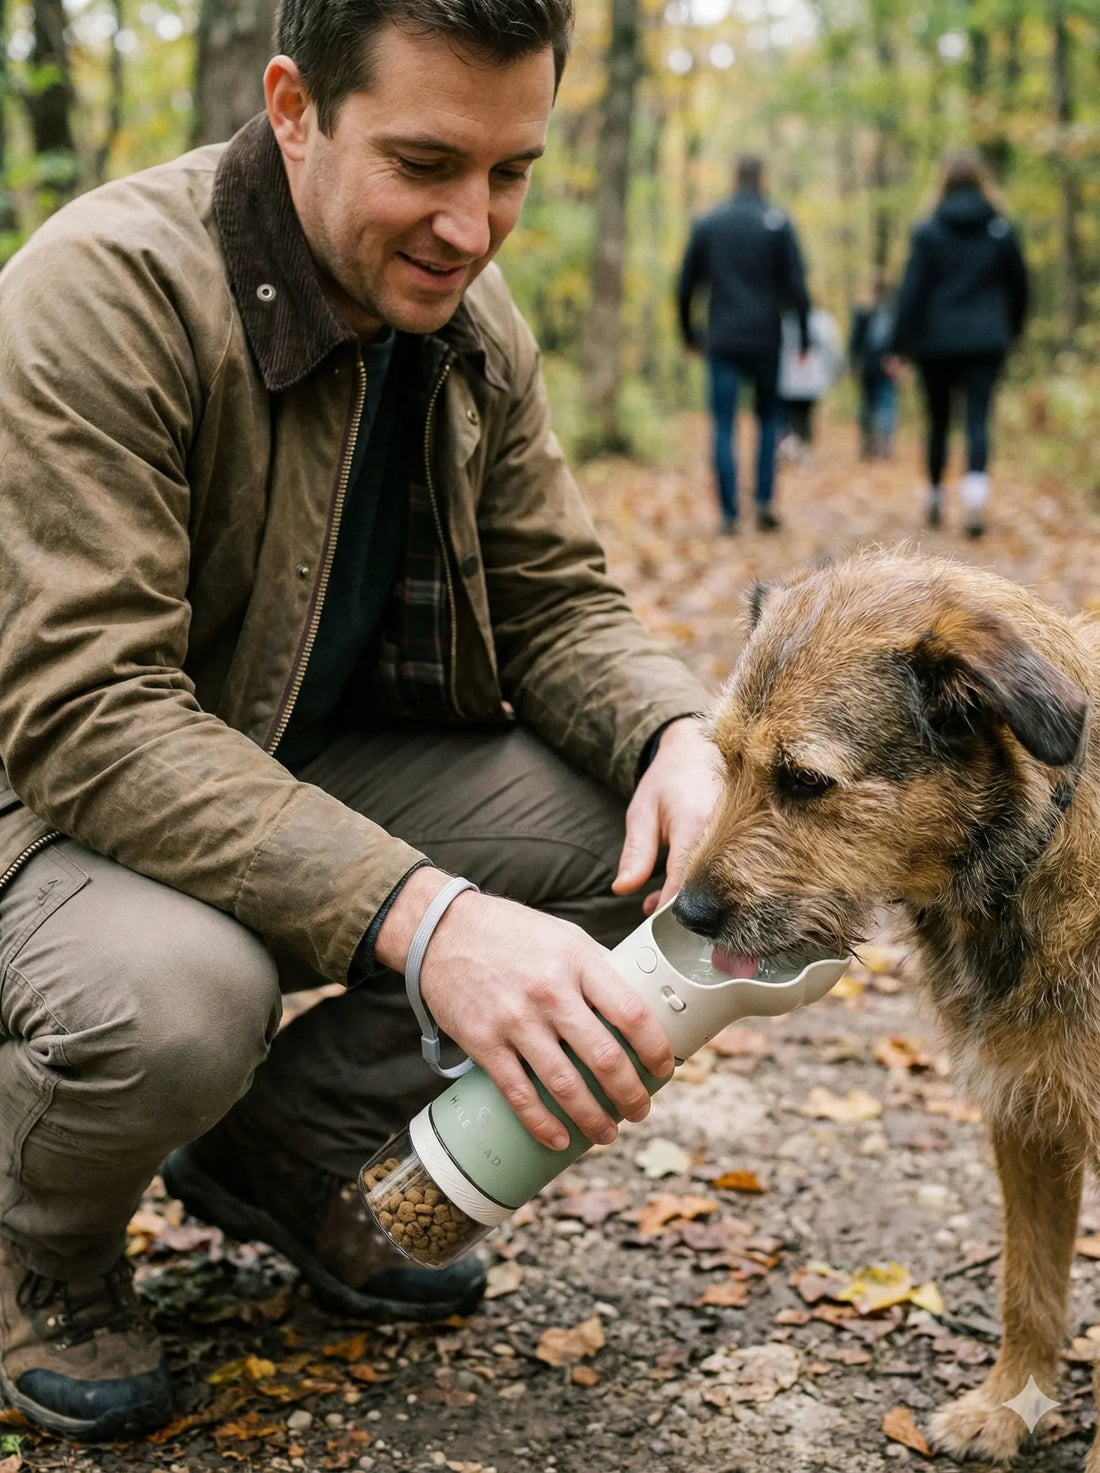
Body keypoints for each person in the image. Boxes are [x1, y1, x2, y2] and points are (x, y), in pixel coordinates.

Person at [0, 0, 722, 1441]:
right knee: (176, 1003)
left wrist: (678, 736)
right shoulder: (103, 289)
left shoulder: (465, 319)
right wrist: (433, 917)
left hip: (291, 760)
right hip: (50, 795)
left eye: (511, 171)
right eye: (426, 162)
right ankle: (42, 1247)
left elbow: (555, 599)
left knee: (656, 855)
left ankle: (283, 1156)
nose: (472, 226)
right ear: (291, 106)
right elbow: (90, 712)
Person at [888, 148, 1029, 536]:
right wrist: (1012, 331)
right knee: (978, 417)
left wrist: (899, 346)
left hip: (936, 343)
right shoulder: (1000, 229)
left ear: (943, 182)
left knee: (937, 420)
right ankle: (974, 501)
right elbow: (1020, 288)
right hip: (987, 340)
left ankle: (935, 496)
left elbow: (911, 293)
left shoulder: (928, 230)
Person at [677, 153, 811, 535]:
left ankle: (729, 513)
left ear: (734, 180)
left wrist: (689, 334)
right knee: (769, 419)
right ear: (762, 179)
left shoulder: (709, 223)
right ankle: (765, 501)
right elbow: (796, 286)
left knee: (723, 424)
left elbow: (687, 285)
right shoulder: (778, 223)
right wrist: (802, 336)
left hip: (722, 340)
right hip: (767, 338)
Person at [777, 304, 843, 462]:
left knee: (794, 416)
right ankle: (797, 449)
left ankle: (795, 449)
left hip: (794, 381)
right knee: (801, 417)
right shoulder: (822, 320)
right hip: (804, 381)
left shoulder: (786, 318)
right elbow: (832, 348)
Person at [848, 271, 898, 460]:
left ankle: (869, 446)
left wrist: (853, 363)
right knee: (885, 404)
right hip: (886, 365)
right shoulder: (892, 312)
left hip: (870, 366)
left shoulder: (864, 312)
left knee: (870, 405)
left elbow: (855, 341)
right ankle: (882, 446)